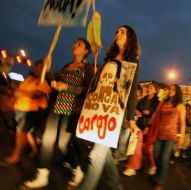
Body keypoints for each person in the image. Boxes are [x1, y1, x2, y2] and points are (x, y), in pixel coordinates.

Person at [24, 38, 94, 188]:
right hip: (56, 108)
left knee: (63, 145)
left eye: (79, 44)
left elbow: (88, 90)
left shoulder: (88, 68)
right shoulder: (67, 66)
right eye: (74, 42)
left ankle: (77, 167)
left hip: (71, 112)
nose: (75, 45)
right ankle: (42, 175)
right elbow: (51, 79)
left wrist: (67, 87)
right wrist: (48, 69)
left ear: (86, 51)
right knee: (47, 140)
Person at [77, 25, 141, 190]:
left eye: (122, 32)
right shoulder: (108, 59)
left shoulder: (132, 62)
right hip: (98, 109)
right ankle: (116, 185)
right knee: (103, 151)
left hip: (114, 113)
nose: (118, 34)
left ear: (130, 37)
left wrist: (131, 119)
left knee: (97, 153)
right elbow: (96, 84)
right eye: (117, 32)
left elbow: (131, 91)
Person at [3, 60, 51, 165]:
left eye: (40, 67)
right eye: (36, 66)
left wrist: (21, 92)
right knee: (26, 132)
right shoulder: (29, 79)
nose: (37, 68)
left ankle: (16, 156)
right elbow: (18, 91)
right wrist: (15, 95)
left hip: (31, 111)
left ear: (45, 69)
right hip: (21, 109)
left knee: (21, 132)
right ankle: (34, 149)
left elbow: (38, 94)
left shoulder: (43, 81)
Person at [151, 84, 186, 190]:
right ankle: (159, 173)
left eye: (173, 89)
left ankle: (160, 181)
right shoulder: (163, 102)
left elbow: (182, 122)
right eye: (170, 89)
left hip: (171, 136)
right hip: (159, 134)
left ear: (177, 92)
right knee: (156, 156)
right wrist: (149, 125)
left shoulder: (180, 105)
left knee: (164, 159)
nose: (171, 91)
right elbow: (156, 113)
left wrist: (182, 138)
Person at [123, 81, 159, 176]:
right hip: (139, 125)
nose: (148, 89)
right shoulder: (143, 100)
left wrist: (150, 114)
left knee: (148, 148)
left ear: (155, 90)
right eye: (148, 87)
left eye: (151, 88)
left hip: (150, 127)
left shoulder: (157, 102)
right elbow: (135, 108)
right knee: (136, 145)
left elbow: (156, 116)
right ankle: (132, 167)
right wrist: (136, 111)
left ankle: (152, 165)